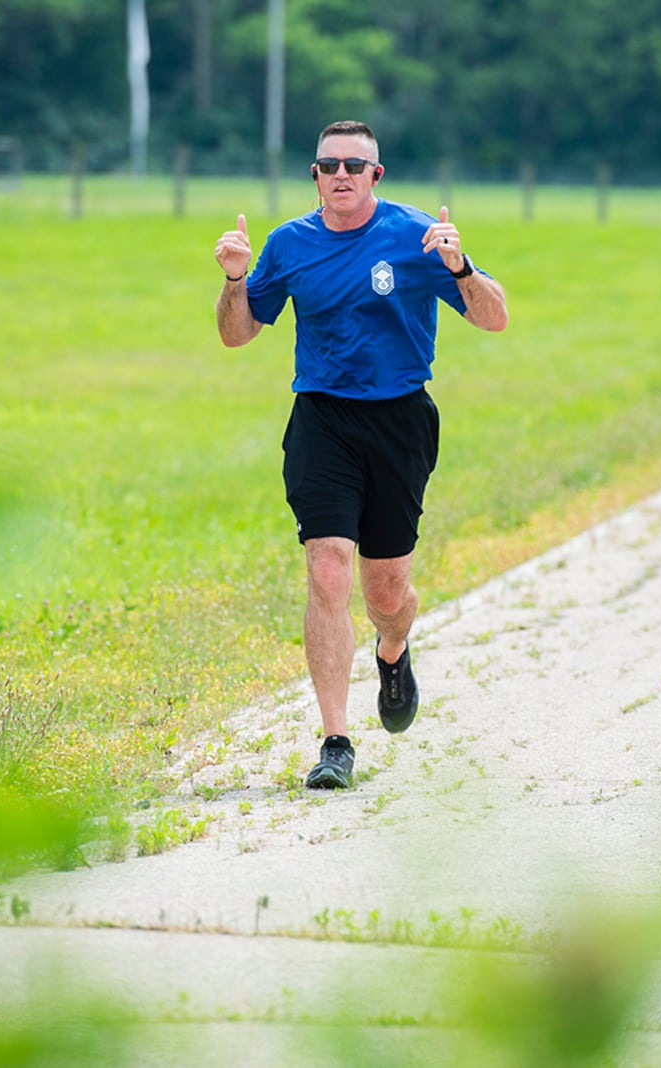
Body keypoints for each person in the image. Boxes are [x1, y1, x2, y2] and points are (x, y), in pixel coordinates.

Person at [213, 120, 509, 788]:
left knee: (386, 590)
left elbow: (495, 316)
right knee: (327, 569)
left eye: (355, 165)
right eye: (328, 164)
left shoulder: (414, 236)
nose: (340, 174)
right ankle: (335, 740)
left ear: (377, 176)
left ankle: (393, 649)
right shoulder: (290, 243)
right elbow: (237, 335)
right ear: (314, 175)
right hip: (322, 417)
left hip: (401, 420)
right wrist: (235, 280)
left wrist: (460, 265)